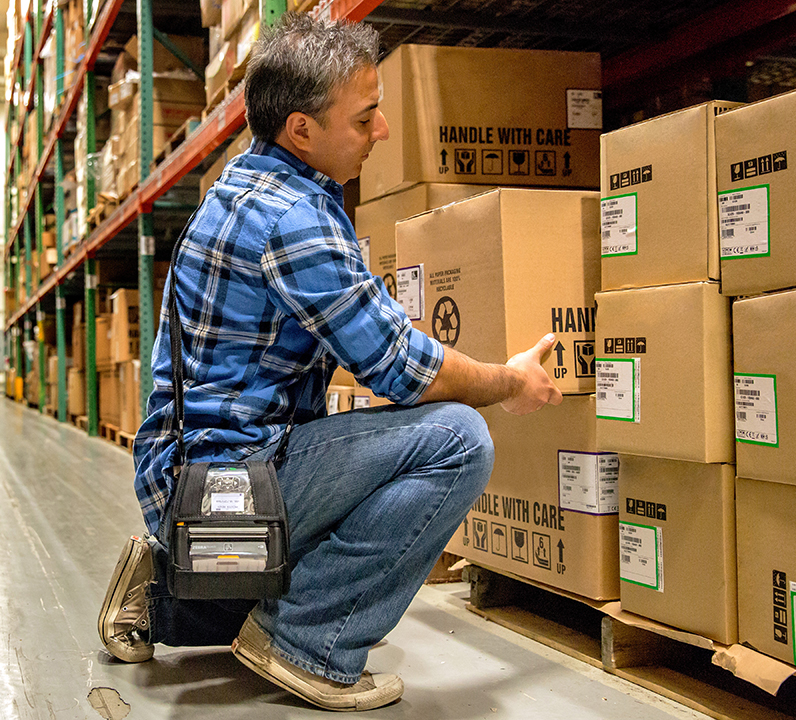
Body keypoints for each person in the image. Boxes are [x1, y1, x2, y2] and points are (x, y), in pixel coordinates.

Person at [97, 13, 562, 712]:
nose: (380, 132)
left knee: (365, 503)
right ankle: (306, 646)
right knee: (458, 440)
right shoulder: (294, 220)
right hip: (224, 489)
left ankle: (162, 591)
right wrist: (510, 381)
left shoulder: (245, 185)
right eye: (365, 117)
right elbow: (405, 370)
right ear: (301, 129)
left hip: (191, 477)